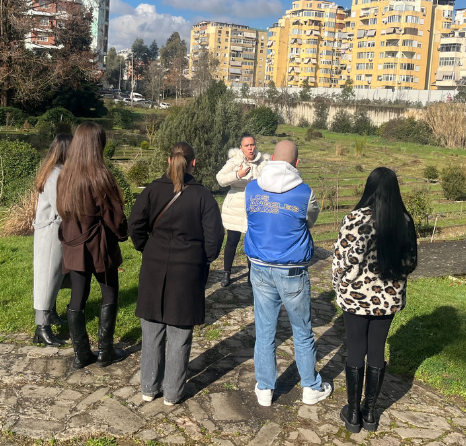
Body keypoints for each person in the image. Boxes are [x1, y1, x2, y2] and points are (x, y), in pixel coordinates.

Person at [130, 142, 224, 405]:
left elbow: (134, 225)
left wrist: (146, 248)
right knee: (180, 334)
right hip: (188, 271)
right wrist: (203, 259)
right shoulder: (203, 196)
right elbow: (215, 237)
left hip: (154, 266)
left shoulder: (152, 190)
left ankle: (149, 388)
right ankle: (172, 393)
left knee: (151, 331)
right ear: (193, 163)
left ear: (169, 161)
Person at [244, 140, 332, 407]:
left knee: (265, 331)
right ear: (297, 163)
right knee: (302, 331)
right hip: (292, 270)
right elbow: (310, 220)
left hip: (260, 267)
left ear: (271, 158)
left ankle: (265, 388)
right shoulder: (305, 193)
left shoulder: (251, 188)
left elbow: (251, 218)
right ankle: (310, 387)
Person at [332, 167, 418, 433]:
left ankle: (353, 414)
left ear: (369, 188)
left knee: (356, 348)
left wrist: (341, 286)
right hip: (388, 299)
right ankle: (370, 414)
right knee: (377, 349)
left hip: (356, 297)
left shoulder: (355, 219)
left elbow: (342, 261)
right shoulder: (404, 221)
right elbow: (411, 263)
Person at [57, 122, 129, 369]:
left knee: (78, 296)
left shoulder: (65, 175)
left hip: (73, 244)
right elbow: (114, 215)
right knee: (109, 293)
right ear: (98, 145)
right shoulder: (100, 176)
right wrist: (123, 233)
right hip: (99, 246)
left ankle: (81, 354)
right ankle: (105, 352)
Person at [32, 133, 72, 346]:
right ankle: (42, 328)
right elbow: (62, 207)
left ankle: (51, 314)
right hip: (51, 233)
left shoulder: (55, 171)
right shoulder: (56, 174)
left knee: (55, 275)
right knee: (46, 278)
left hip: (53, 231)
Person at [215, 133, 267, 287]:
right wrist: (238, 174)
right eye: (247, 145)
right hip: (235, 208)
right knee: (232, 240)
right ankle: (226, 273)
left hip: (255, 207)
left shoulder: (263, 163)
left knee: (252, 243)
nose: (250, 148)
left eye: (252, 144)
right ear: (241, 147)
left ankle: (252, 275)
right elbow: (220, 178)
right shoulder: (234, 161)